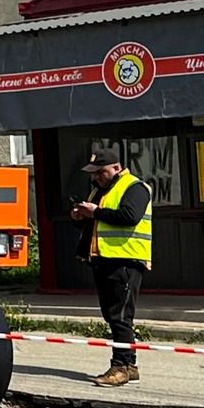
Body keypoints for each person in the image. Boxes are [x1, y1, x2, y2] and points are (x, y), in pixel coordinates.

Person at [71, 145, 153, 386]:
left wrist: (95, 212)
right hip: (104, 259)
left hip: (125, 260)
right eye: (93, 173)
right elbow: (96, 223)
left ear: (117, 168)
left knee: (119, 316)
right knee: (113, 315)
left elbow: (129, 217)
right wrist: (80, 217)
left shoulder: (135, 187)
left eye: (100, 172)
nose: (96, 177)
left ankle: (120, 367)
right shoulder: (99, 191)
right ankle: (129, 364)